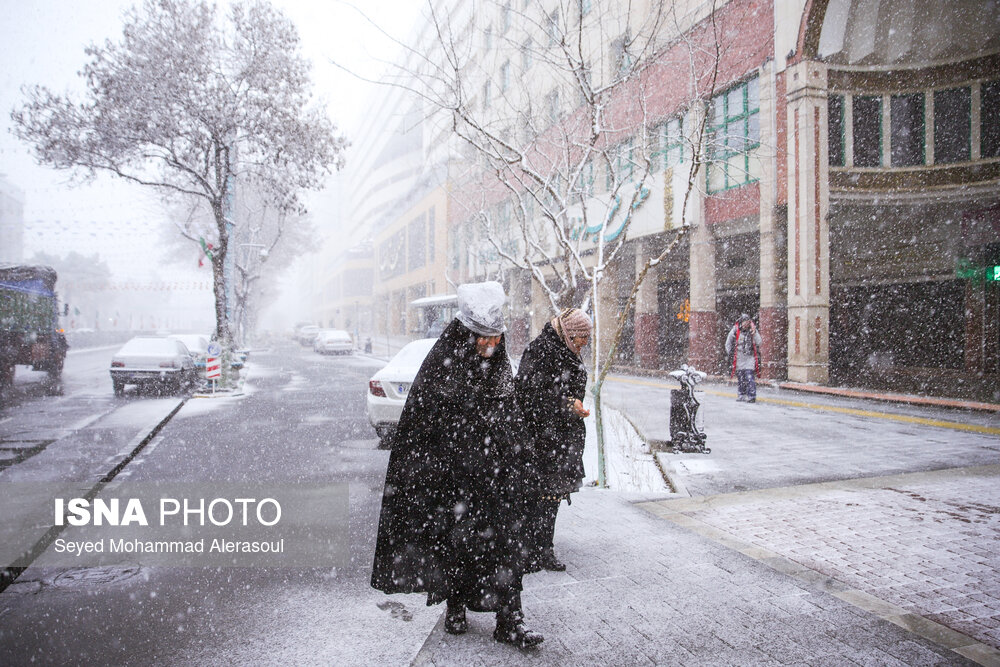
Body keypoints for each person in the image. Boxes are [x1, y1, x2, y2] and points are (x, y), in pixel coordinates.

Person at [370, 281, 543, 649]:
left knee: (506, 548)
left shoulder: (498, 369)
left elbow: (509, 417)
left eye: (495, 338)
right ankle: (456, 604)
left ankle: (510, 620)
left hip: (495, 481)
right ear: (466, 333)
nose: (489, 345)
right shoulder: (442, 364)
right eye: (482, 338)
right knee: (459, 546)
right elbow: (423, 426)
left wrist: (521, 459)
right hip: (456, 482)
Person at [515, 307, 591, 573]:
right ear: (568, 333)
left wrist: (572, 406)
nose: (584, 343)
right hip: (541, 438)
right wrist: (567, 404)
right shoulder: (540, 351)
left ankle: (544, 549)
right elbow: (527, 396)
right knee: (536, 497)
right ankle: (528, 552)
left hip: (561, 437)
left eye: (587, 338)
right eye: (581, 337)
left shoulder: (567, 350)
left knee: (552, 497)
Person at [725, 313, 762, 403]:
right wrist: (730, 353)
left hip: (749, 357)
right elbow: (728, 342)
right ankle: (741, 394)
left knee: (749, 376)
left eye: (747, 322)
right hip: (739, 358)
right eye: (744, 322)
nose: (746, 324)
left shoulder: (752, 331)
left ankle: (751, 395)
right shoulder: (735, 331)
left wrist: (755, 332)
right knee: (741, 377)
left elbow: (759, 342)